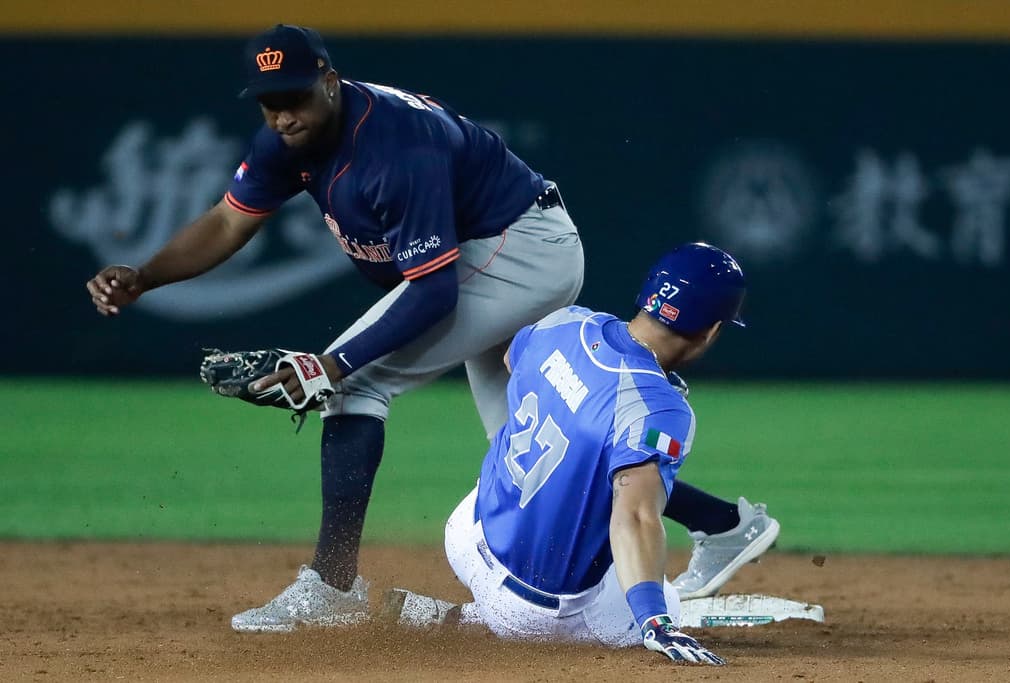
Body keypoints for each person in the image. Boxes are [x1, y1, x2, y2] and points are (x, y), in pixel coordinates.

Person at [84, 24, 585, 632]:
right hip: (506, 246)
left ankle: (332, 587)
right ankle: (696, 536)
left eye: (294, 96)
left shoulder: (396, 149)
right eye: (269, 101)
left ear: (328, 80)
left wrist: (333, 366)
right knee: (522, 448)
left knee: (353, 386)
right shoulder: (287, 137)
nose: (282, 115)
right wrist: (145, 276)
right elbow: (227, 222)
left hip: (519, 248)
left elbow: (432, 291)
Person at [386, 242, 776, 665]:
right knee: (661, 594)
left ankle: (475, 615)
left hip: (465, 535)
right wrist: (656, 621)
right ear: (712, 330)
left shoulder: (567, 322)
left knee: (587, 463)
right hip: (534, 612)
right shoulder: (660, 408)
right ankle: (474, 620)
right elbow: (637, 518)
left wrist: (582, 398)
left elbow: (511, 358)